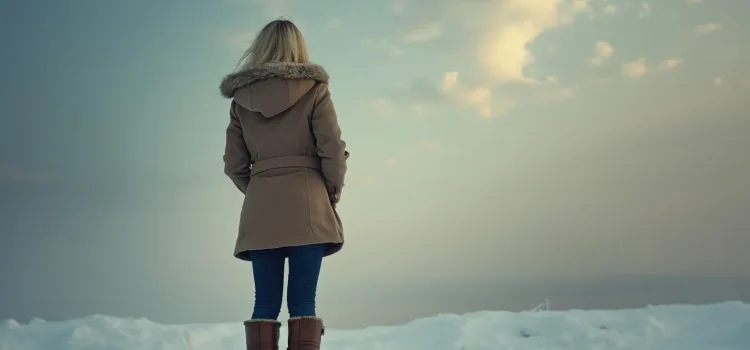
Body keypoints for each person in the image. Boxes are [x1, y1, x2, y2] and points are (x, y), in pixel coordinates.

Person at [219, 19, 349, 350]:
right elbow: (332, 150)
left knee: (264, 304)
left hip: (261, 209)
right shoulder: (316, 91)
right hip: (308, 205)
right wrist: (328, 194)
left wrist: (261, 191)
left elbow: (234, 165)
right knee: (303, 303)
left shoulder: (240, 102)